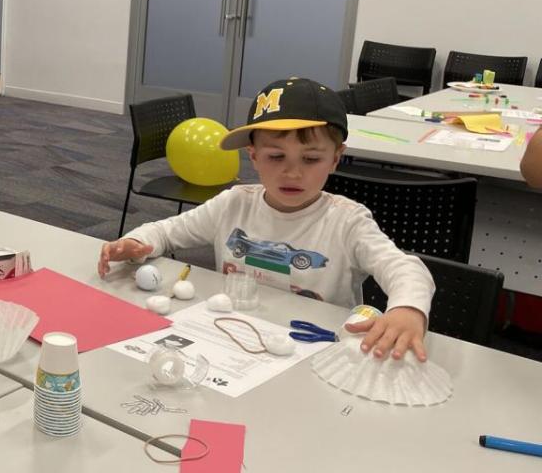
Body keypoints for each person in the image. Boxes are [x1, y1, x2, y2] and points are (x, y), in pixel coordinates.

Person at [98, 77, 434, 361]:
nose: (292, 171)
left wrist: (408, 310)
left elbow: (405, 268)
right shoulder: (233, 204)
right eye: (276, 156)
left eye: (311, 158)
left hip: (316, 351)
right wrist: (138, 242)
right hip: (237, 341)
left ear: (335, 159)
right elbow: (168, 231)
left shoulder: (347, 221)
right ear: (254, 157)